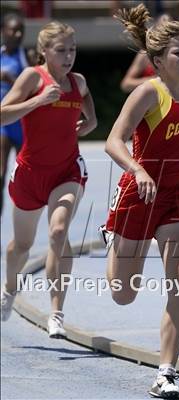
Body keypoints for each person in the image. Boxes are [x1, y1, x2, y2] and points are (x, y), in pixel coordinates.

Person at [99, 4, 179, 398]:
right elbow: (113, 141)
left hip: (176, 198)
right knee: (123, 293)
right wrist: (137, 170)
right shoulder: (146, 93)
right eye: (178, 53)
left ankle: (166, 372)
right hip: (139, 195)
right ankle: (111, 236)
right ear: (157, 60)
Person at [0, 21, 97, 338]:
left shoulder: (77, 81)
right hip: (30, 173)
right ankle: (9, 287)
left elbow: (90, 115)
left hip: (67, 171)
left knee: (58, 231)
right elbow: (3, 114)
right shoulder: (32, 77)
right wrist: (37, 101)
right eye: (61, 50)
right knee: (21, 247)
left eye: (73, 50)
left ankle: (56, 311)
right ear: (44, 51)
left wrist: (88, 123)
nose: (69, 56)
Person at [0, 13, 36, 215]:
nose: (17, 33)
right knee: (0, 174)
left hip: (23, 124)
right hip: (3, 124)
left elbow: (36, 87)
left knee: (27, 177)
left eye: (20, 29)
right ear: (3, 31)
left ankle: (25, 220)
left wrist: (13, 80)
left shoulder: (27, 56)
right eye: (13, 29)